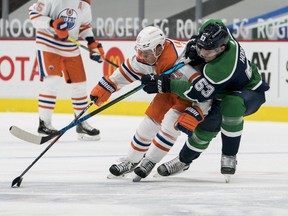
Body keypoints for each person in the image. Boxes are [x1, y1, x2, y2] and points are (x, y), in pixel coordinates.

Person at [141, 19, 270, 181]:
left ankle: (229, 155)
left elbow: (196, 93)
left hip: (250, 92)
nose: (202, 53)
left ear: (221, 49)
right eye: (201, 48)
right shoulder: (218, 30)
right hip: (220, 92)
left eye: (207, 51)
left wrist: (165, 84)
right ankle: (183, 161)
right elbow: (210, 26)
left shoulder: (220, 69)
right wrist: (194, 44)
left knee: (232, 104)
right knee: (204, 130)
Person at [89, 26, 210, 180]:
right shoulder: (146, 56)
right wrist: (107, 86)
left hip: (188, 94)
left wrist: (199, 111)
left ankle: (150, 161)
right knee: (150, 122)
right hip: (167, 89)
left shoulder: (180, 59)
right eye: (139, 51)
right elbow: (127, 70)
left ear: (159, 49)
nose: (141, 56)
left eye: (145, 53)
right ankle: (131, 161)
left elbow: (204, 90)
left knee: (171, 124)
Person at [29, 0, 104, 141]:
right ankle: (44, 124)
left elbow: (84, 26)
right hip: (48, 43)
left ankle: (81, 122)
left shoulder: (85, 3)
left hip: (70, 47)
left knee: (80, 85)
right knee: (52, 82)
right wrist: (52, 23)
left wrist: (92, 43)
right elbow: (34, 15)